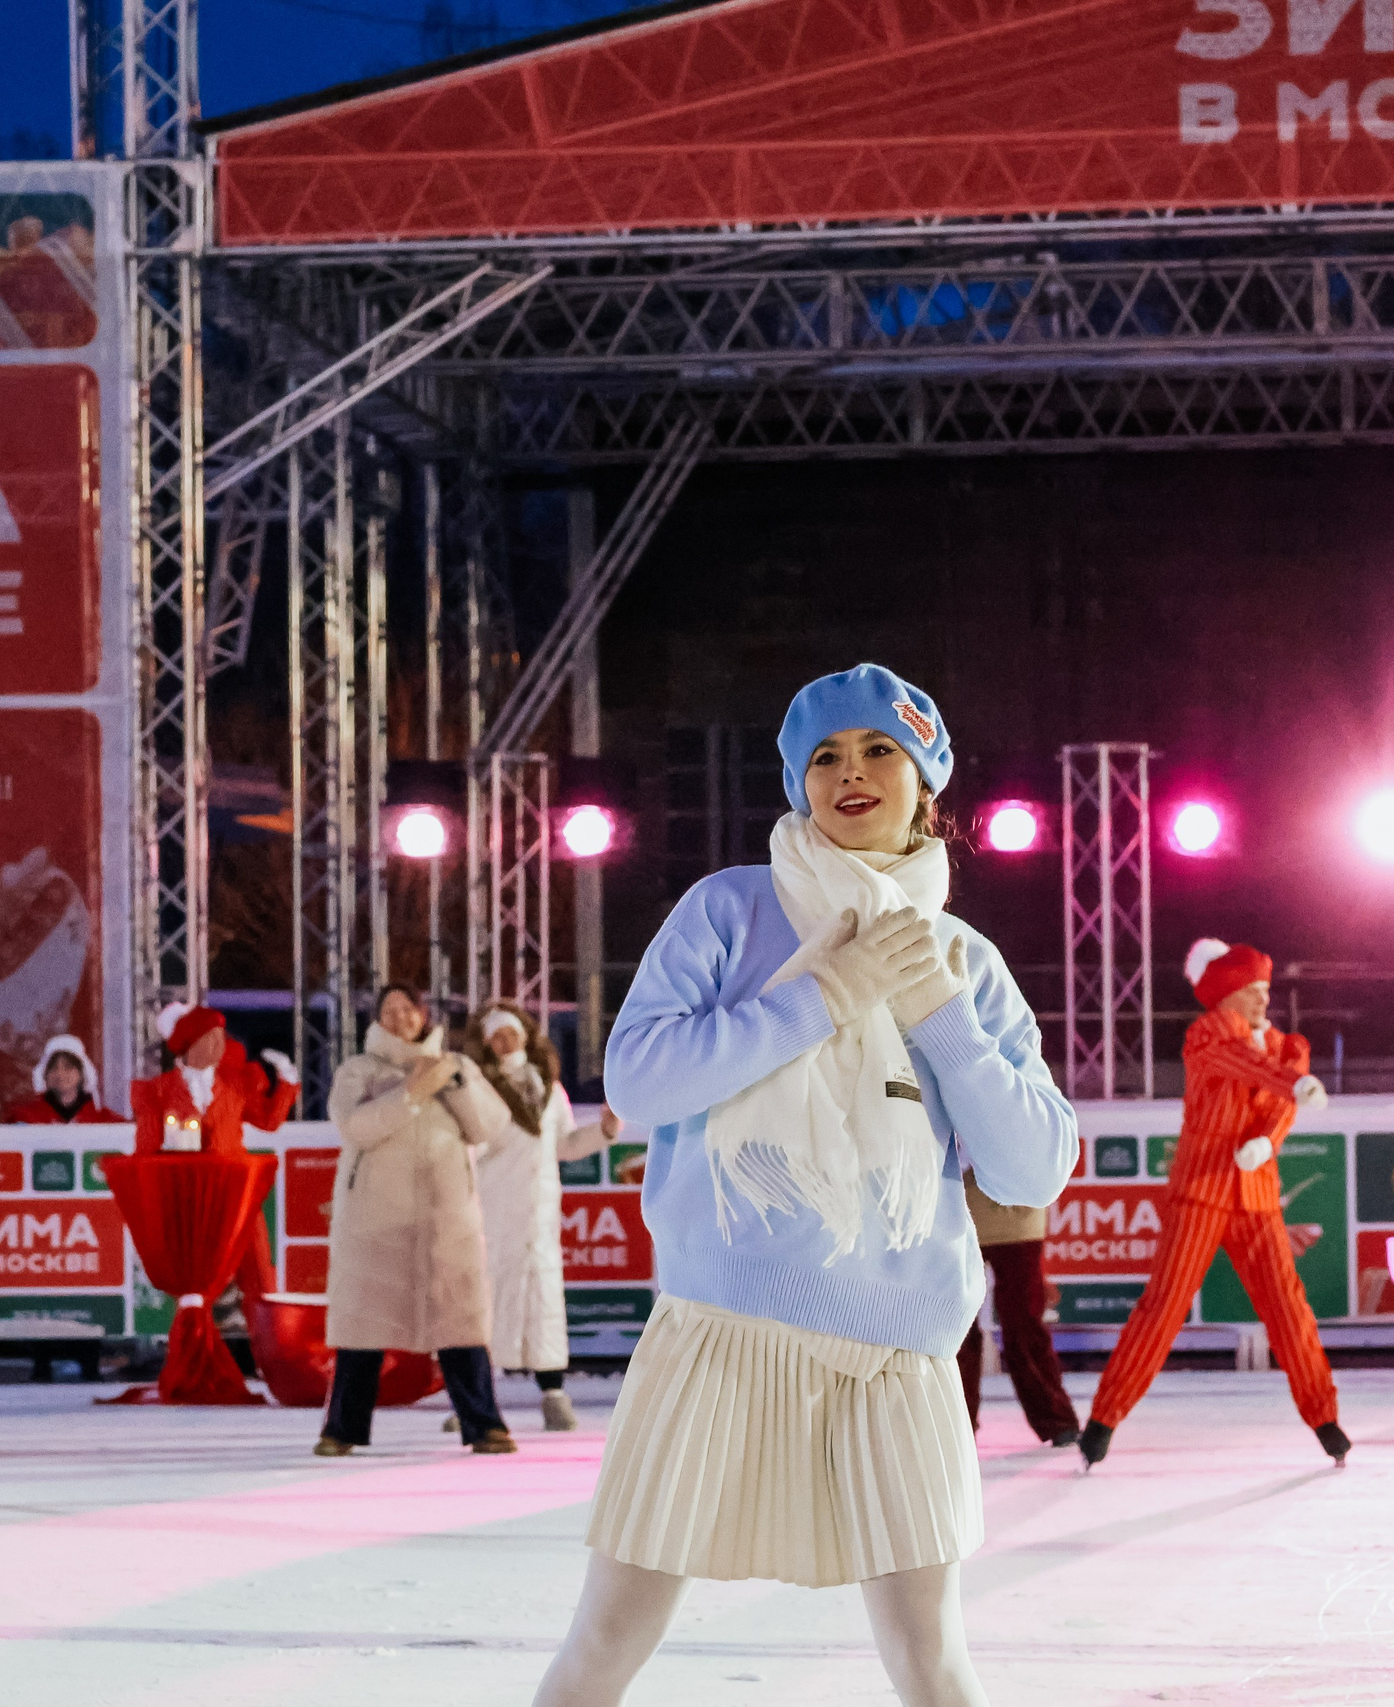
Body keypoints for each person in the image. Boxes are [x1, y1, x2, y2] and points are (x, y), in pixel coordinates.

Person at [533, 664, 1077, 1707]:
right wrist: (824, 994)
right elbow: (642, 1081)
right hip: (719, 1338)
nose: (850, 773)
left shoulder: (963, 958)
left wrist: (941, 1018)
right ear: (797, 783)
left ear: (928, 782)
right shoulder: (730, 909)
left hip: (897, 1356)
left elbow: (1031, 1167)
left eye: (879, 750)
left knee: (931, 1660)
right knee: (606, 1641)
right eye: (823, 756)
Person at [1081, 936, 1344, 1469]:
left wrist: (1266, 1141)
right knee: (1165, 1306)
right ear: (1226, 994)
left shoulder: (1290, 1047)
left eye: (1266, 991)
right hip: (1201, 1189)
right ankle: (1104, 1419)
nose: (1262, 1001)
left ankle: (1325, 1418)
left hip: (1256, 1195)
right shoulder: (1208, 1034)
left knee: (1288, 1309)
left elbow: (1280, 1108)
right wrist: (1295, 1086)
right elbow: (1245, 1066)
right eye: (1252, 991)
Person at [317, 984, 519, 1454]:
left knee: (459, 1323)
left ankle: (484, 1424)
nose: (401, 1017)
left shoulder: (457, 1066)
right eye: (390, 1010)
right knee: (363, 1328)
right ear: (377, 1021)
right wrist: (409, 1094)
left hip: (445, 1217)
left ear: (422, 1015)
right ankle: (341, 1430)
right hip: (375, 1220)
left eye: (408, 1008)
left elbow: (490, 1127)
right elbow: (354, 1128)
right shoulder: (359, 1070)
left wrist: (454, 1084)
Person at [461, 1000, 614, 1434]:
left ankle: (553, 1393)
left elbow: (563, 1146)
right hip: (495, 1212)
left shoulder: (551, 1090)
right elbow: (472, 1149)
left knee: (544, 1303)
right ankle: (473, 1399)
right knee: (489, 1302)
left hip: (540, 1217)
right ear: (487, 1044)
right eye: (496, 1036)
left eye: (511, 1032)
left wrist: (603, 1131)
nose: (505, 1041)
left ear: (525, 1036)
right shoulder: (480, 1090)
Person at [130, 1003, 299, 1301]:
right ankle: (196, 1339)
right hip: (191, 1200)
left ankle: (267, 1339)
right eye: (209, 1037)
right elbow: (146, 1151)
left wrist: (286, 1078)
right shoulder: (158, 1091)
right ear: (189, 1044)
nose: (219, 1044)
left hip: (238, 1193)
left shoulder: (235, 1083)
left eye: (221, 1036)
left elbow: (270, 1121)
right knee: (197, 1283)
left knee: (259, 1276)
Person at [956, 1169, 1077, 1446]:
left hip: (1017, 1210)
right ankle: (957, 1425)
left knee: (1023, 1326)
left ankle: (1057, 1421)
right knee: (957, 1330)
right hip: (960, 1209)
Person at [0, 1034, 126, 1125]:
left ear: (83, 1074)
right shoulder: (24, 1117)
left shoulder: (107, 1122)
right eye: (54, 1068)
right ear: (45, 1075)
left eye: (68, 1068)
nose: (60, 1074)